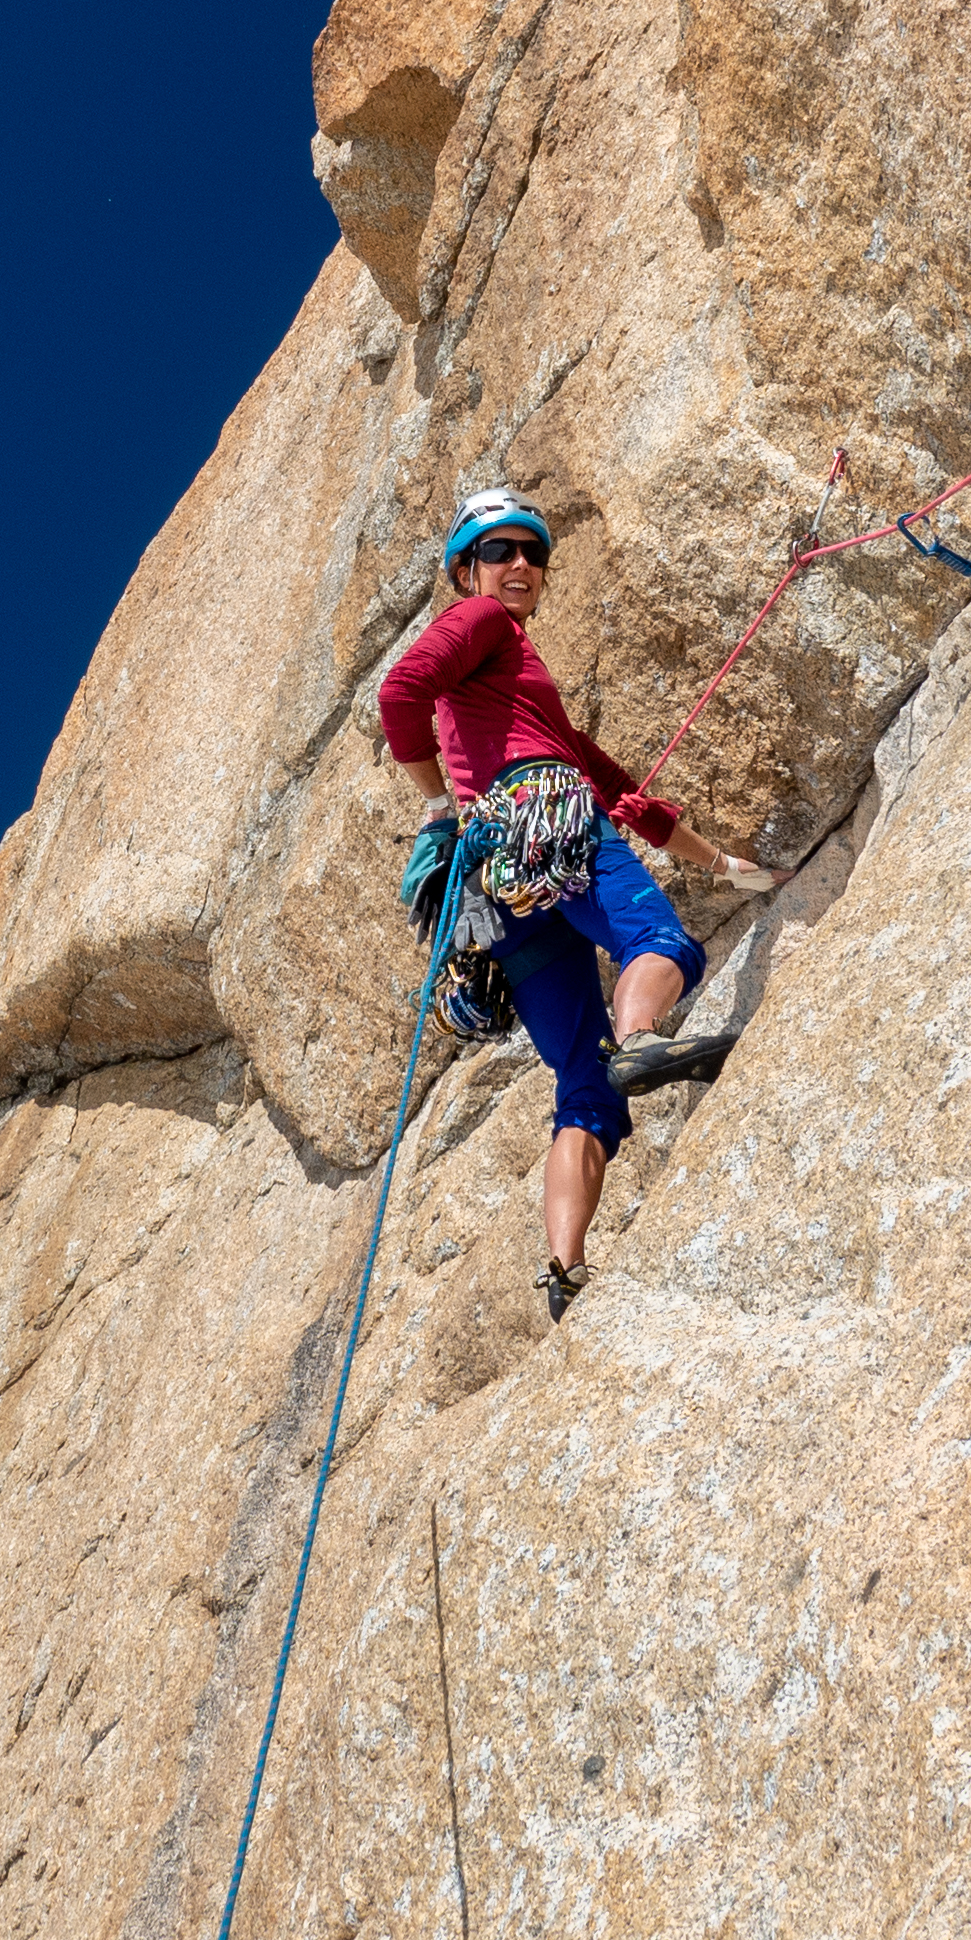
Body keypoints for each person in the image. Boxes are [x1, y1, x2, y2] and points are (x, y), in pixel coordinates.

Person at [378, 488, 732, 1321]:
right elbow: (399, 694)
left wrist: (720, 861)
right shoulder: (484, 626)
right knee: (661, 942)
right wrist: (437, 803)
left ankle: (564, 1271)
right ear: (465, 570)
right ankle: (642, 1040)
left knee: (582, 1083)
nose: (522, 566)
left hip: (500, 886)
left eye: (533, 553)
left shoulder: (514, 685)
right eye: (499, 552)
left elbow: (618, 789)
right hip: (543, 822)